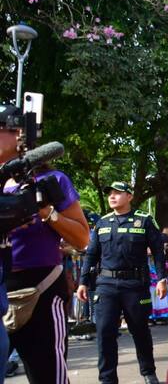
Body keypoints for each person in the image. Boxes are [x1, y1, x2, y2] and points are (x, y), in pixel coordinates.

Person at [3, 139, 89, 383]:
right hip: (2, 287)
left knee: (48, 375)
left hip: (41, 289)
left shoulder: (52, 181)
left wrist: (48, 213)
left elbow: (82, 238)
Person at [75, 182, 166, 384]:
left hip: (135, 284)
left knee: (140, 330)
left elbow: (159, 252)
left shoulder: (144, 221)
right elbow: (91, 255)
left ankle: (148, 373)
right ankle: (107, 379)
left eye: (118, 193)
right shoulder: (102, 223)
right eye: (110, 194)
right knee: (105, 332)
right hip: (106, 285)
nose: (112, 197)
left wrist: (161, 278)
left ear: (130, 196)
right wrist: (82, 282)